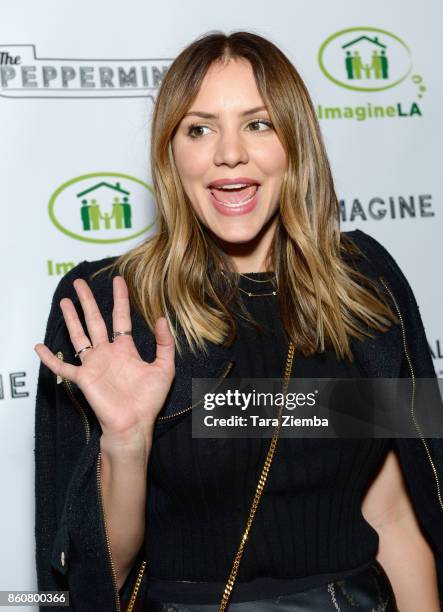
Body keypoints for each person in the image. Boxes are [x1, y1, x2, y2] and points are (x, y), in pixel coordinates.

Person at [34, 31, 443, 611]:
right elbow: (102, 577)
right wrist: (127, 440)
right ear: (171, 153)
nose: (230, 152)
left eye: (258, 123)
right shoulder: (113, 306)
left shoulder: (365, 281)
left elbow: (395, 514)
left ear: (294, 142)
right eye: (200, 128)